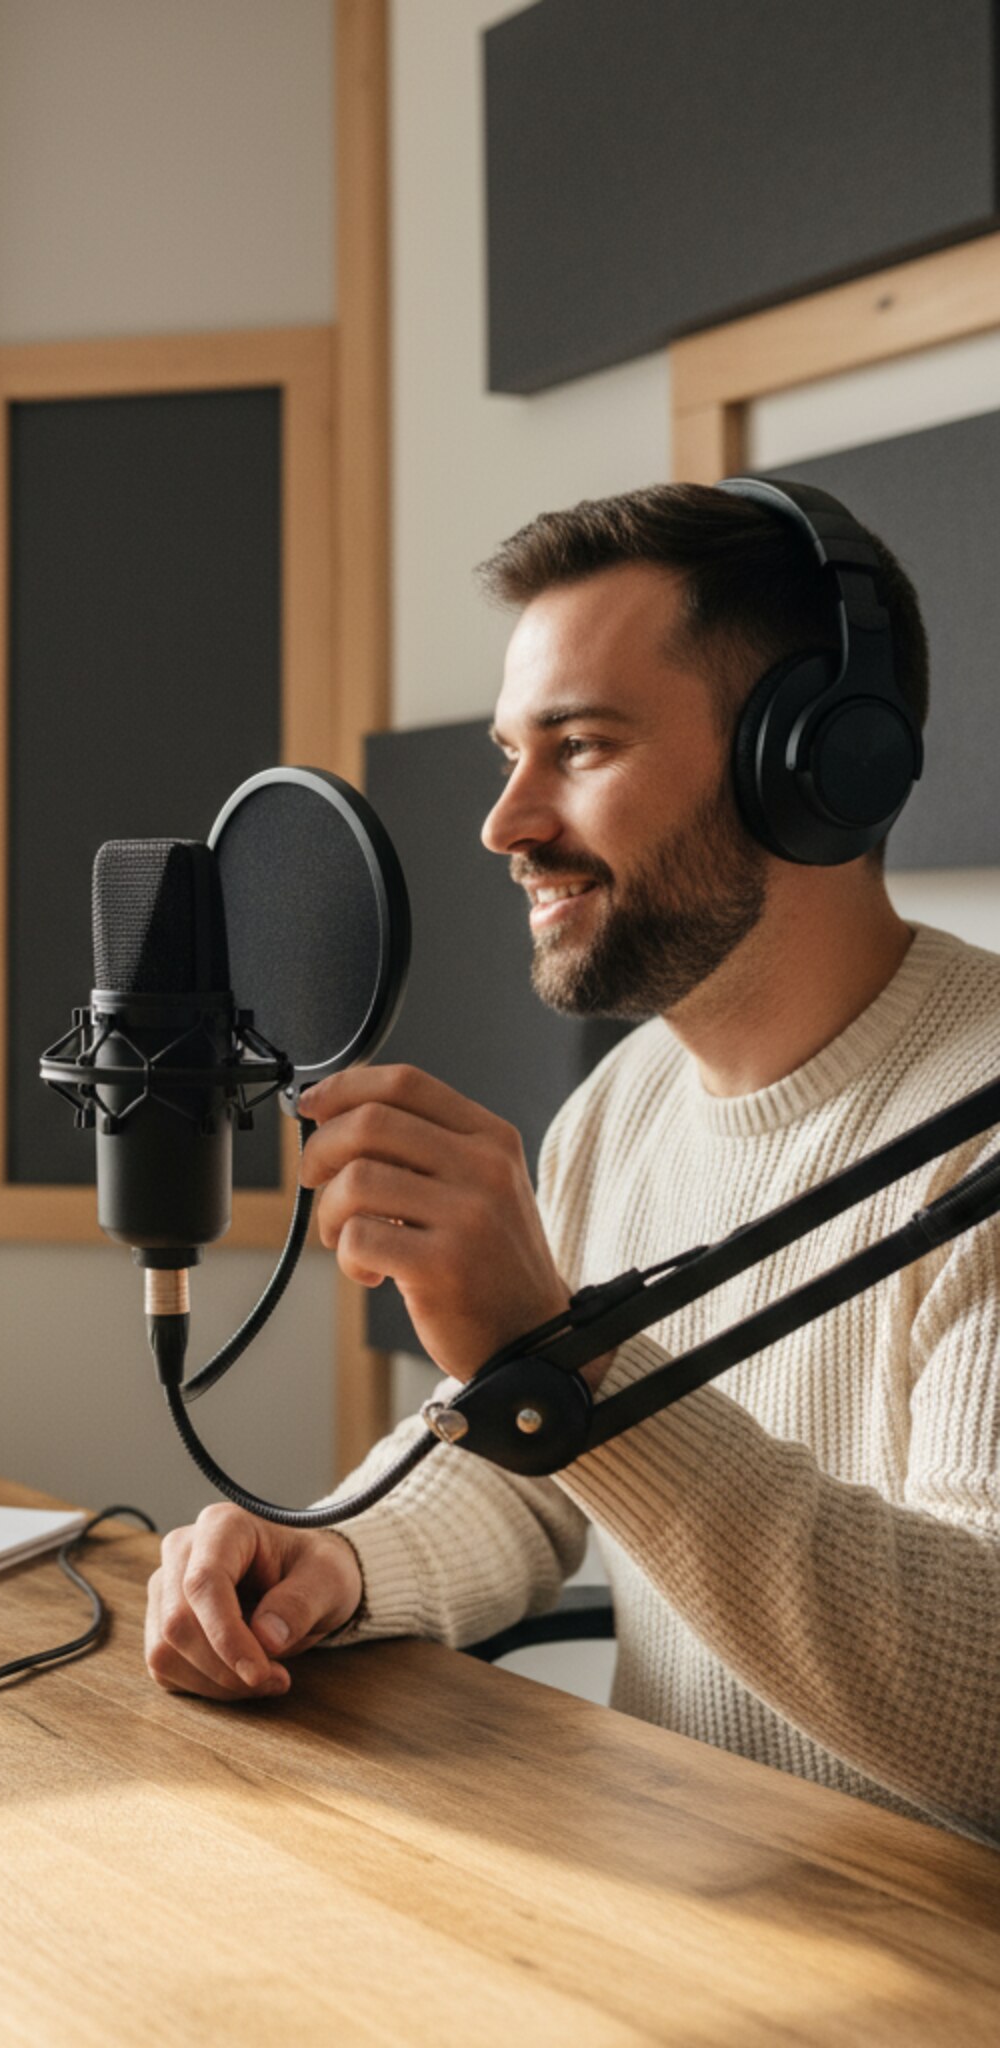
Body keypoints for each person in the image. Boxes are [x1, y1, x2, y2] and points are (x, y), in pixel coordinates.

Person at [143, 480, 1000, 1847]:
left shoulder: (987, 1131)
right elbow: (530, 1485)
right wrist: (340, 1559)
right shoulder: (625, 1108)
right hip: (682, 1908)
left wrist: (562, 1356)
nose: (506, 822)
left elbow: (986, 1711)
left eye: (580, 747)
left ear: (819, 764)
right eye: (506, 753)